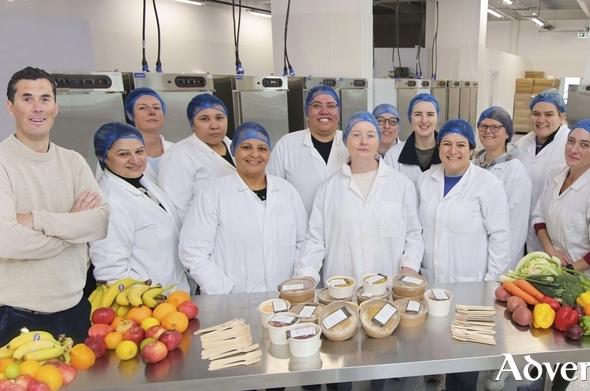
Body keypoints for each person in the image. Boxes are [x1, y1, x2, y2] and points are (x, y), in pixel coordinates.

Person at [297, 111, 423, 391]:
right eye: (356, 134)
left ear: (380, 141)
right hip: (341, 292)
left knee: (381, 355)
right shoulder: (329, 189)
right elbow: (316, 239)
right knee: (340, 362)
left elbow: (414, 234)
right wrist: (306, 275)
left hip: (384, 288)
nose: (364, 141)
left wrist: (409, 268)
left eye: (370, 135)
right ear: (346, 141)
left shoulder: (400, 185)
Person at [0, 67, 110, 348]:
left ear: (55, 107)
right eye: (27, 98)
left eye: (45, 99)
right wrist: (71, 228)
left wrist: (35, 219)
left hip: (75, 310)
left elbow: (100, 222)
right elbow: (6, 242)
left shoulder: (73, 161)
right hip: (14, 315)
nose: (38, 108)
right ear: (11, 107)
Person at [517, 119, 590, 391]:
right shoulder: (557, 173)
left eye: (585, 144)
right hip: (557, 274)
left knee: (579, 350)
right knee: (550, 338)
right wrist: (551, 252)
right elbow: (538, 217)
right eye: (571, 141)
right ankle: (541, 385)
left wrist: (571, 270)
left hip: (587, 284)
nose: (574, 149)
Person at [417, 118, 510, 391]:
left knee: (466, 361)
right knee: (435, 344)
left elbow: (500, 237)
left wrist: (490, 283)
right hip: (433, 281)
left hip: (472, 285)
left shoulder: (487, 184)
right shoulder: (425, 180)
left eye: (460, 144)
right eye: (446, 143)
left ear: (471, 149)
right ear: (438, 146)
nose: (453, 150)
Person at [179, 122, 308, 294]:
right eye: (246, 147)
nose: (255, 154)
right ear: (233, 151)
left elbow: (303, 242)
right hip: (230, 299)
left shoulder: (287, 192)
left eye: (262, 148)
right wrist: (221, 290)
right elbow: (193, 251)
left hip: (282, 298)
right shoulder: (212, 194)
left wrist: (295, 282)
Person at [89, 122, 189, 293]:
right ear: (103, 157)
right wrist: (151, 298)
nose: (135, 160)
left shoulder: (143, 182)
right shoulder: (111, 201)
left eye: (140, 151)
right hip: (145, 307)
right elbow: (111, 271)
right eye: (124, 154)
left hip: (173, 298)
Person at [515, 89, 590, 253]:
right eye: (536, 114)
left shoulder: (575, 142)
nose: (541, 119)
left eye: (549, 114)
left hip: (560, 235)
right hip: (525, 227)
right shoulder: (523, 142)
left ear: (562, 117)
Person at [267, 85, 349, 215]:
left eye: (331, 106)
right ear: (307, 110)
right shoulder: (286, 145)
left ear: (338, 111)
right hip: (299, 232)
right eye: (317, 106)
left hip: (343, 230)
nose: (324, 111)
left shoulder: (351, 144)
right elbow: (271, 189)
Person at [159, 93, 235, 220]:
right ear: (192, 125)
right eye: (204, 119)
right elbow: (179, 210)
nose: (214, 125)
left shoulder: (239, 147)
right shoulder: (178, 155)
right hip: (205, 232)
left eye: (219, 117)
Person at [472, 106, 532, 269]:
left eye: (495, 127)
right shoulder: (473, 163)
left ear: (507, 133)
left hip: (497, 262)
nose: (488, 131)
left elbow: (515, 230)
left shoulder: (516, 174)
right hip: (471, 255)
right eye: (483, 126)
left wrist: (500, 269)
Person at [384, 93, 442, 185]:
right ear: (410, 117)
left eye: (430, 114)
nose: (424, 120)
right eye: (418, 114)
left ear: (438, 117)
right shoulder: (393, 155)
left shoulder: (449, 153)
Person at [121, 87, 173, 185]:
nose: (152, 112)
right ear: (130, 115)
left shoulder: (178, 150)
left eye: (157, 107)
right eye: (143, 108)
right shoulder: (118, 154)